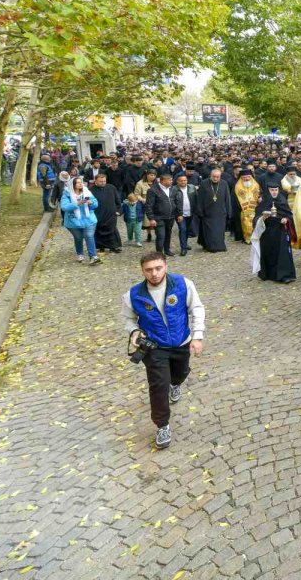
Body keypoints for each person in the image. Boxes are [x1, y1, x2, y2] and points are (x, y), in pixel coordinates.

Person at [122, 251, 205, 450]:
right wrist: (134, 331)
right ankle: (162, 426)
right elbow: (129, 319)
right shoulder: (133, 295)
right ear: (142, 271)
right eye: (149, 270)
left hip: (181, 342)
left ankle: (176, 383)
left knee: (180, 373)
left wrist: (198, 336)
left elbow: (197, 308)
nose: (154, 274)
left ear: (165, 266)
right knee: (159, 385)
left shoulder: (183, 284)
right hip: (154, 347)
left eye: (158, 268)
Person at [250, 185, 297, 283]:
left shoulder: (282, 202)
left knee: (282, 253)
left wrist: (286, 220)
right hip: (267, 233)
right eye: (272, 190)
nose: (274, 192)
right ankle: (268, 274)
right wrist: (262, 218)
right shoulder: (263, 204)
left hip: (280, 232)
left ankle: (284, 275)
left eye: (276, 190)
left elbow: (290, 216)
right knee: (269, 252)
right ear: (268, 191)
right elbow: (255, 219)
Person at [61, 176, 101, 265]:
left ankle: (93, 256)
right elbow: (64, 207)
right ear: (73, 185)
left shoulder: (87, 192)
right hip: (73, 221)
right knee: (78, 238)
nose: (80, 184)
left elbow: (96, 203)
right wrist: (77, 203)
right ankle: (80, 253)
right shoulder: (67, 194)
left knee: (89, 235)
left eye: (81, 182)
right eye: (78, 183)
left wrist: (91, 203)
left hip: (89, 219)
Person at [195, 167, 231, 253]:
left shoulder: (224, 183)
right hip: (208, 212)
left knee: (219, 231)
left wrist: (229, 211)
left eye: (217, 177)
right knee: (210, 231)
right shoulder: (204, 183)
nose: (215, 178)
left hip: (220, 212)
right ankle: (210, 247)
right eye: (214, 176)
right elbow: (200, 198)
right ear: (210, 176)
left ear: (220, 177)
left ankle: (220, 246)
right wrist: (200, 211)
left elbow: (227, 198)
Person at [145, 171, 178, 257]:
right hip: (158, 217)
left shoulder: (173, 189)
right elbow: (148, 205)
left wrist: (178, 214)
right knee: (161, 235)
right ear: (163, 181)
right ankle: (159, 253)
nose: (172, 182)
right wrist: (151, 218)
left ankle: (167, 250)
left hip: (170, 217)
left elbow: (176, 202)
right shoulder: (153, 190)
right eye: (170, 180)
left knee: (168, 234)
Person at [90, 173, 124, 253]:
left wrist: (119, 211)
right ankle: (100, 246)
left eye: (104, 181)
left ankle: (114, 246)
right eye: (101, 181)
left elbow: (117, 200)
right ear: (96, 181)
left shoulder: (111, 188)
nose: (103, 183)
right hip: (98, 214)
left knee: (112, 230)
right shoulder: (91, 190)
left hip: (111, 214)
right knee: (99, 230)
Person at [232, 168, 262, 243]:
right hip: (242, 210)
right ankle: (246, 238)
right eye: (244, 177)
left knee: (255, 223)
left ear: (251, 177)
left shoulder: (256, 184)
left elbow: (260, 193)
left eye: (248, 177)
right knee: (245, 223)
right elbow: (234, 199)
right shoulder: (237, 186)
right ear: (241, 178)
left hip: (255, 208)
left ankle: (256, 238)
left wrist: (260, 198)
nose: (246, 179)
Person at [170, 173, 197, 257]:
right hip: (180, 214)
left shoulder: (192, 187)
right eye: (181, 181)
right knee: (182, 229)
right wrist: (178, 214)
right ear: (177, 181)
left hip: (190, 212)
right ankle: (183, 248)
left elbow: (196, 198)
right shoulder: (174, 189)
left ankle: (185, 244)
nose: (183, 182)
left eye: (184, 180)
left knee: (187, 229)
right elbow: (172, 202)